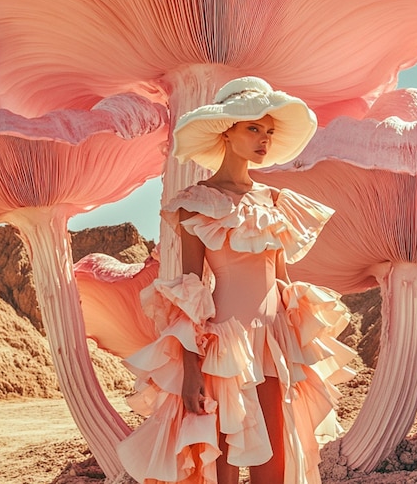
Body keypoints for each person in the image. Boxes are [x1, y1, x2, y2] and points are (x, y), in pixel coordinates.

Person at [117, 76, 356, 484]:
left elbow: (282, 283)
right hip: (225, 348)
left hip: (274, 342)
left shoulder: (275, 203)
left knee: (276, 464)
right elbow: (190, 289)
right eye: (253, 128)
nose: (264, 139)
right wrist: (191, 370)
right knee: (222, 465)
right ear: (226, 131)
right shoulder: (198, 201)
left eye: (268, 131)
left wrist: (297, 349)